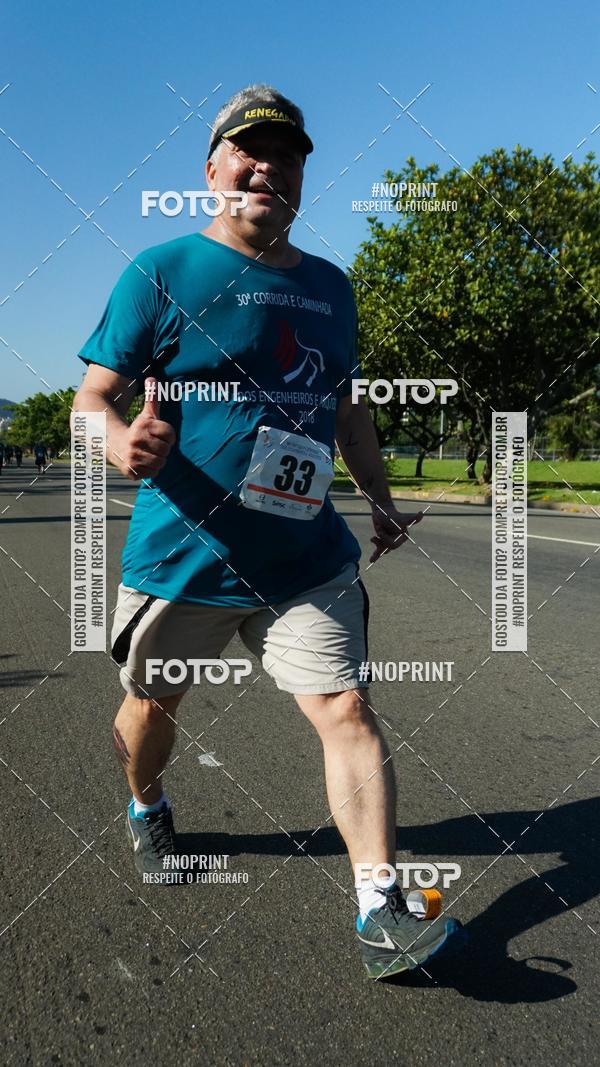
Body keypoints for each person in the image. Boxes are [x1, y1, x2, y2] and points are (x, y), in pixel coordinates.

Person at [74, 84, 457, 980]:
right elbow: (92, 396)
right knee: (152, 711)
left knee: (348, 708)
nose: (267, 165)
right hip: (184, 559)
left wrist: (380, 496)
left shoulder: (331, 286)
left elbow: (348, 410)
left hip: (305, 560)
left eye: (286, 153)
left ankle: (380, 909)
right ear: (212, 170)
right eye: (248, 149)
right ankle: (148, 801)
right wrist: (118, 439)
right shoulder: (162, 271)